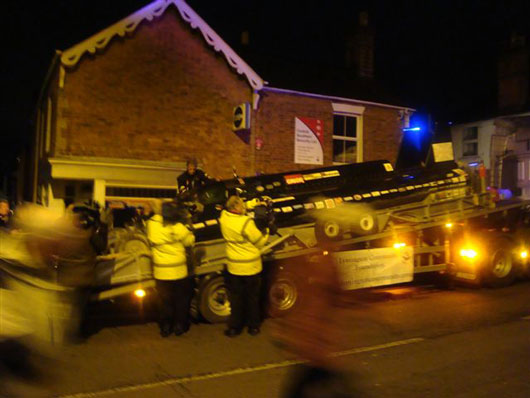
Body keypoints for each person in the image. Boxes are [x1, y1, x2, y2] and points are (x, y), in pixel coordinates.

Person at [219, 195, 269, 337]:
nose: (243, 207)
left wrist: (253, 203)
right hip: (250, 267)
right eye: (241, 205)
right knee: (252, 298)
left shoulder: (224, 218)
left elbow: (237, 208)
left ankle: (234, 327)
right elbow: (259, 242)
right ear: (236, 208)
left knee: (236, 298)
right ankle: (253, 326)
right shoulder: (246, 222)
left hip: (234, 267)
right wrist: (266, 231)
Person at [147, 200, 195, 337]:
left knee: (164, 301)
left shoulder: (152, 225)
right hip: (179, 270)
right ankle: (179, 326)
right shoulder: (178, 227)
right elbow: (189, 241)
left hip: (161, 271)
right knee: (181, 299)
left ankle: (165, 327)